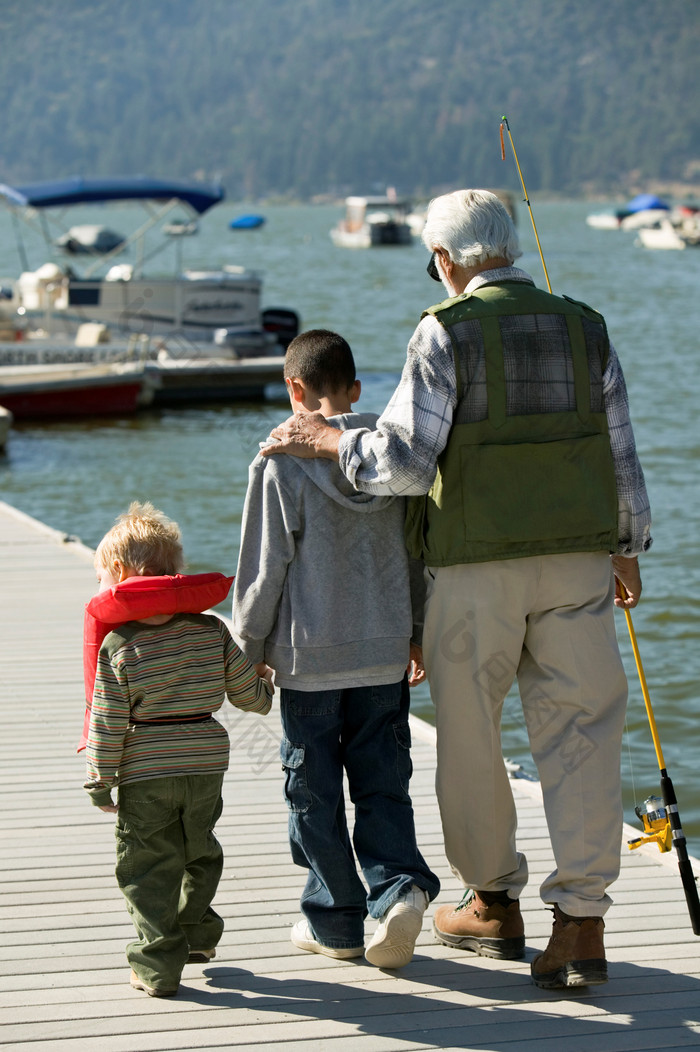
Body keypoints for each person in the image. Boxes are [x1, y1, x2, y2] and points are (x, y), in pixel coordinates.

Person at [260, 191, 652, 989]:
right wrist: (628, 545)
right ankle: (580, 924)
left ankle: (493, 903)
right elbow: (619, 446)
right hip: (578, 559)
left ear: (445, 261)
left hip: (474, 569)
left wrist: (335, 440)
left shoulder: (443, 329)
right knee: (582, 735)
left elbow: (404, 462)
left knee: (472, 737)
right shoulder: (588, 325)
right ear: (506, 250)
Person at [232, 329, 440, 968]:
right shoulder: (390, 456)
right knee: (383, 781)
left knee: (312, 791)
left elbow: (266, 566)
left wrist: (247, 646)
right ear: (354, 390)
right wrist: (416, 631)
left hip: (308, 658)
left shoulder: (279, 461)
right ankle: (398, 888)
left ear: (295, 391)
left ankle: (337, 920)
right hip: (382, 652)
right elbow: (418, 555)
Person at [84, 502, 273, 998]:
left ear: (122, 575)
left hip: (146, 771)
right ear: (176, 573)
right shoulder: (211, 630)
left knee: (146, 865)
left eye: (103, 577)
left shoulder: (119, 646)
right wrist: (265, 687)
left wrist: (100, 781)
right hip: (206, 764)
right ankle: (197, 935)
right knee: (199, 848)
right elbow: (249, 699)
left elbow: (106, 723)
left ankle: (157, 965)